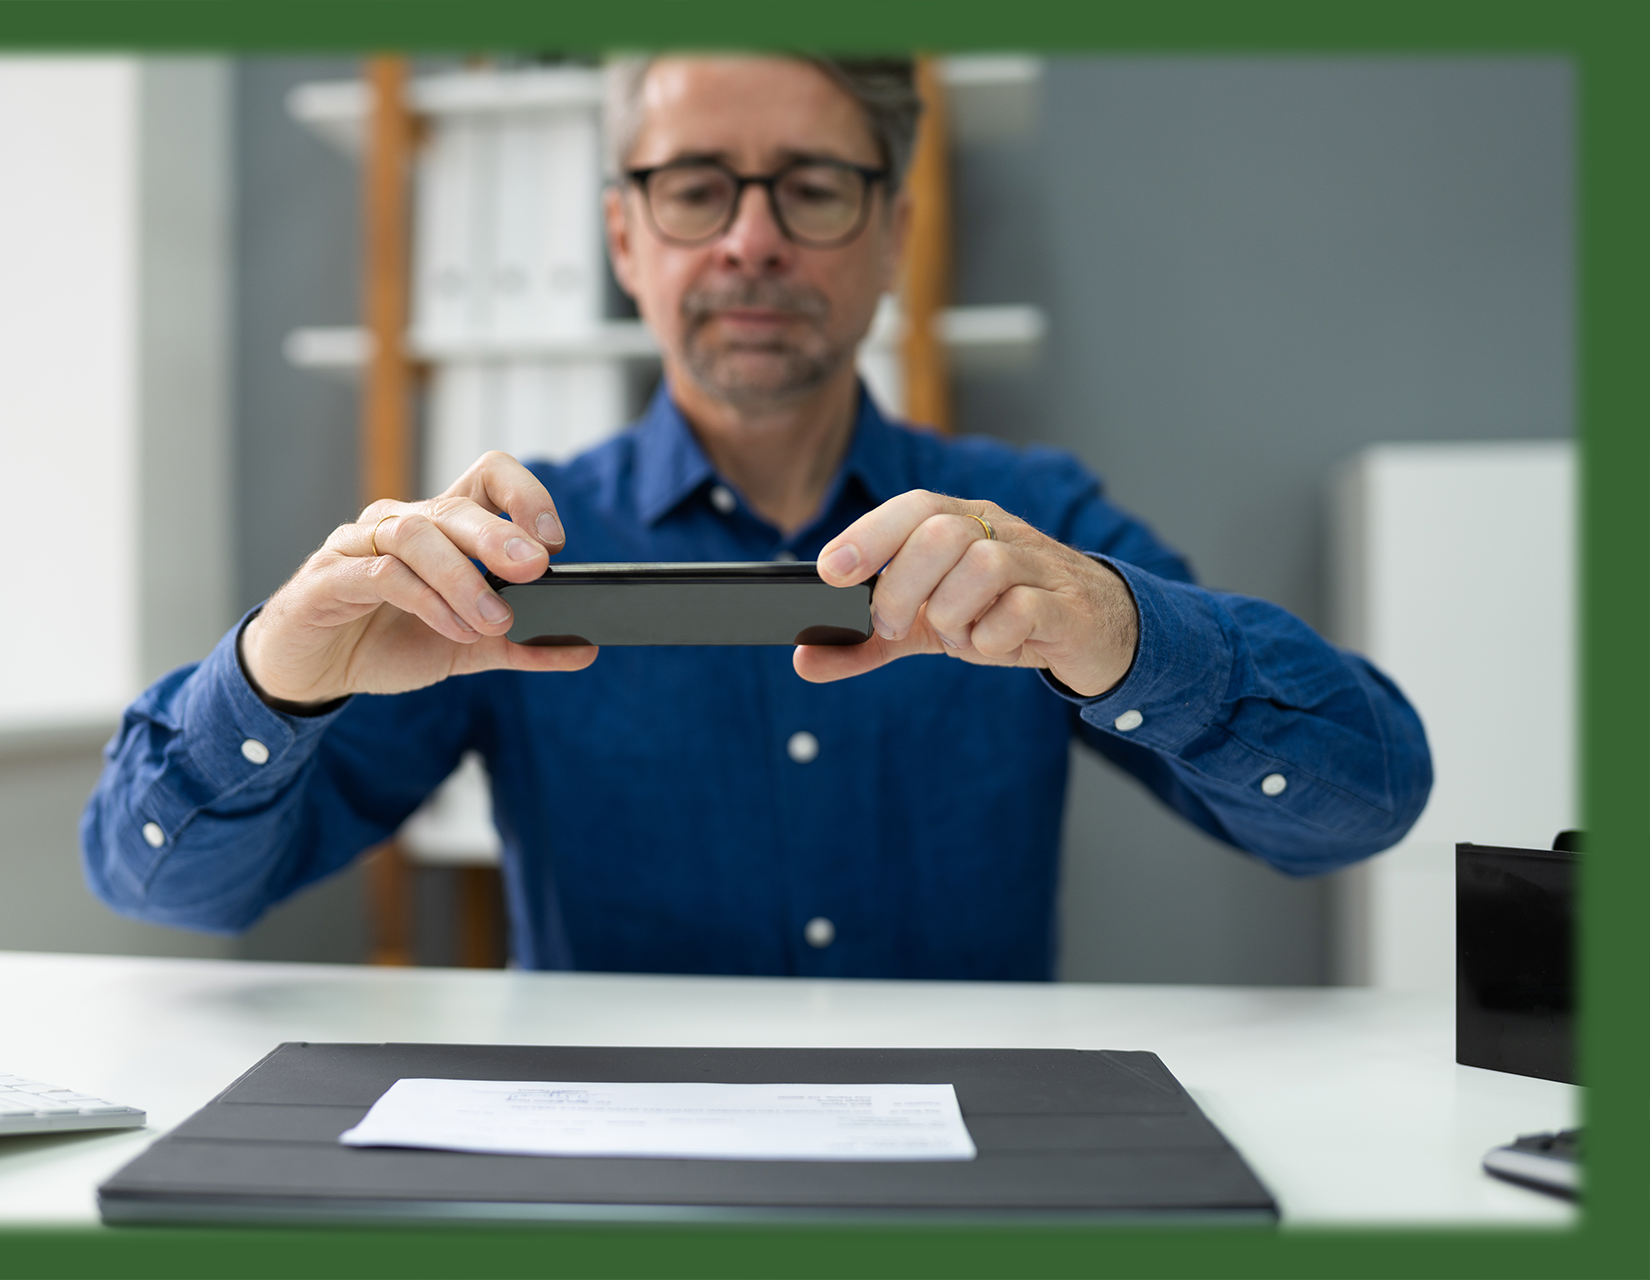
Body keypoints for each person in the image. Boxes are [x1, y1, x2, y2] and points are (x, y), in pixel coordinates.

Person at [82, 55, 1430, 980]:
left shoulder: (1031, 526)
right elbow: (166, 890)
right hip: (617, 1183)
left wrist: (1127, 635)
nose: (751, 240)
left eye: (814, 186)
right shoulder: (512, 557)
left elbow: (1365, 804)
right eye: (695, 187)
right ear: (625, 239)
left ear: (895, 233)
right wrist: (277, 676)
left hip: (964, 1182)